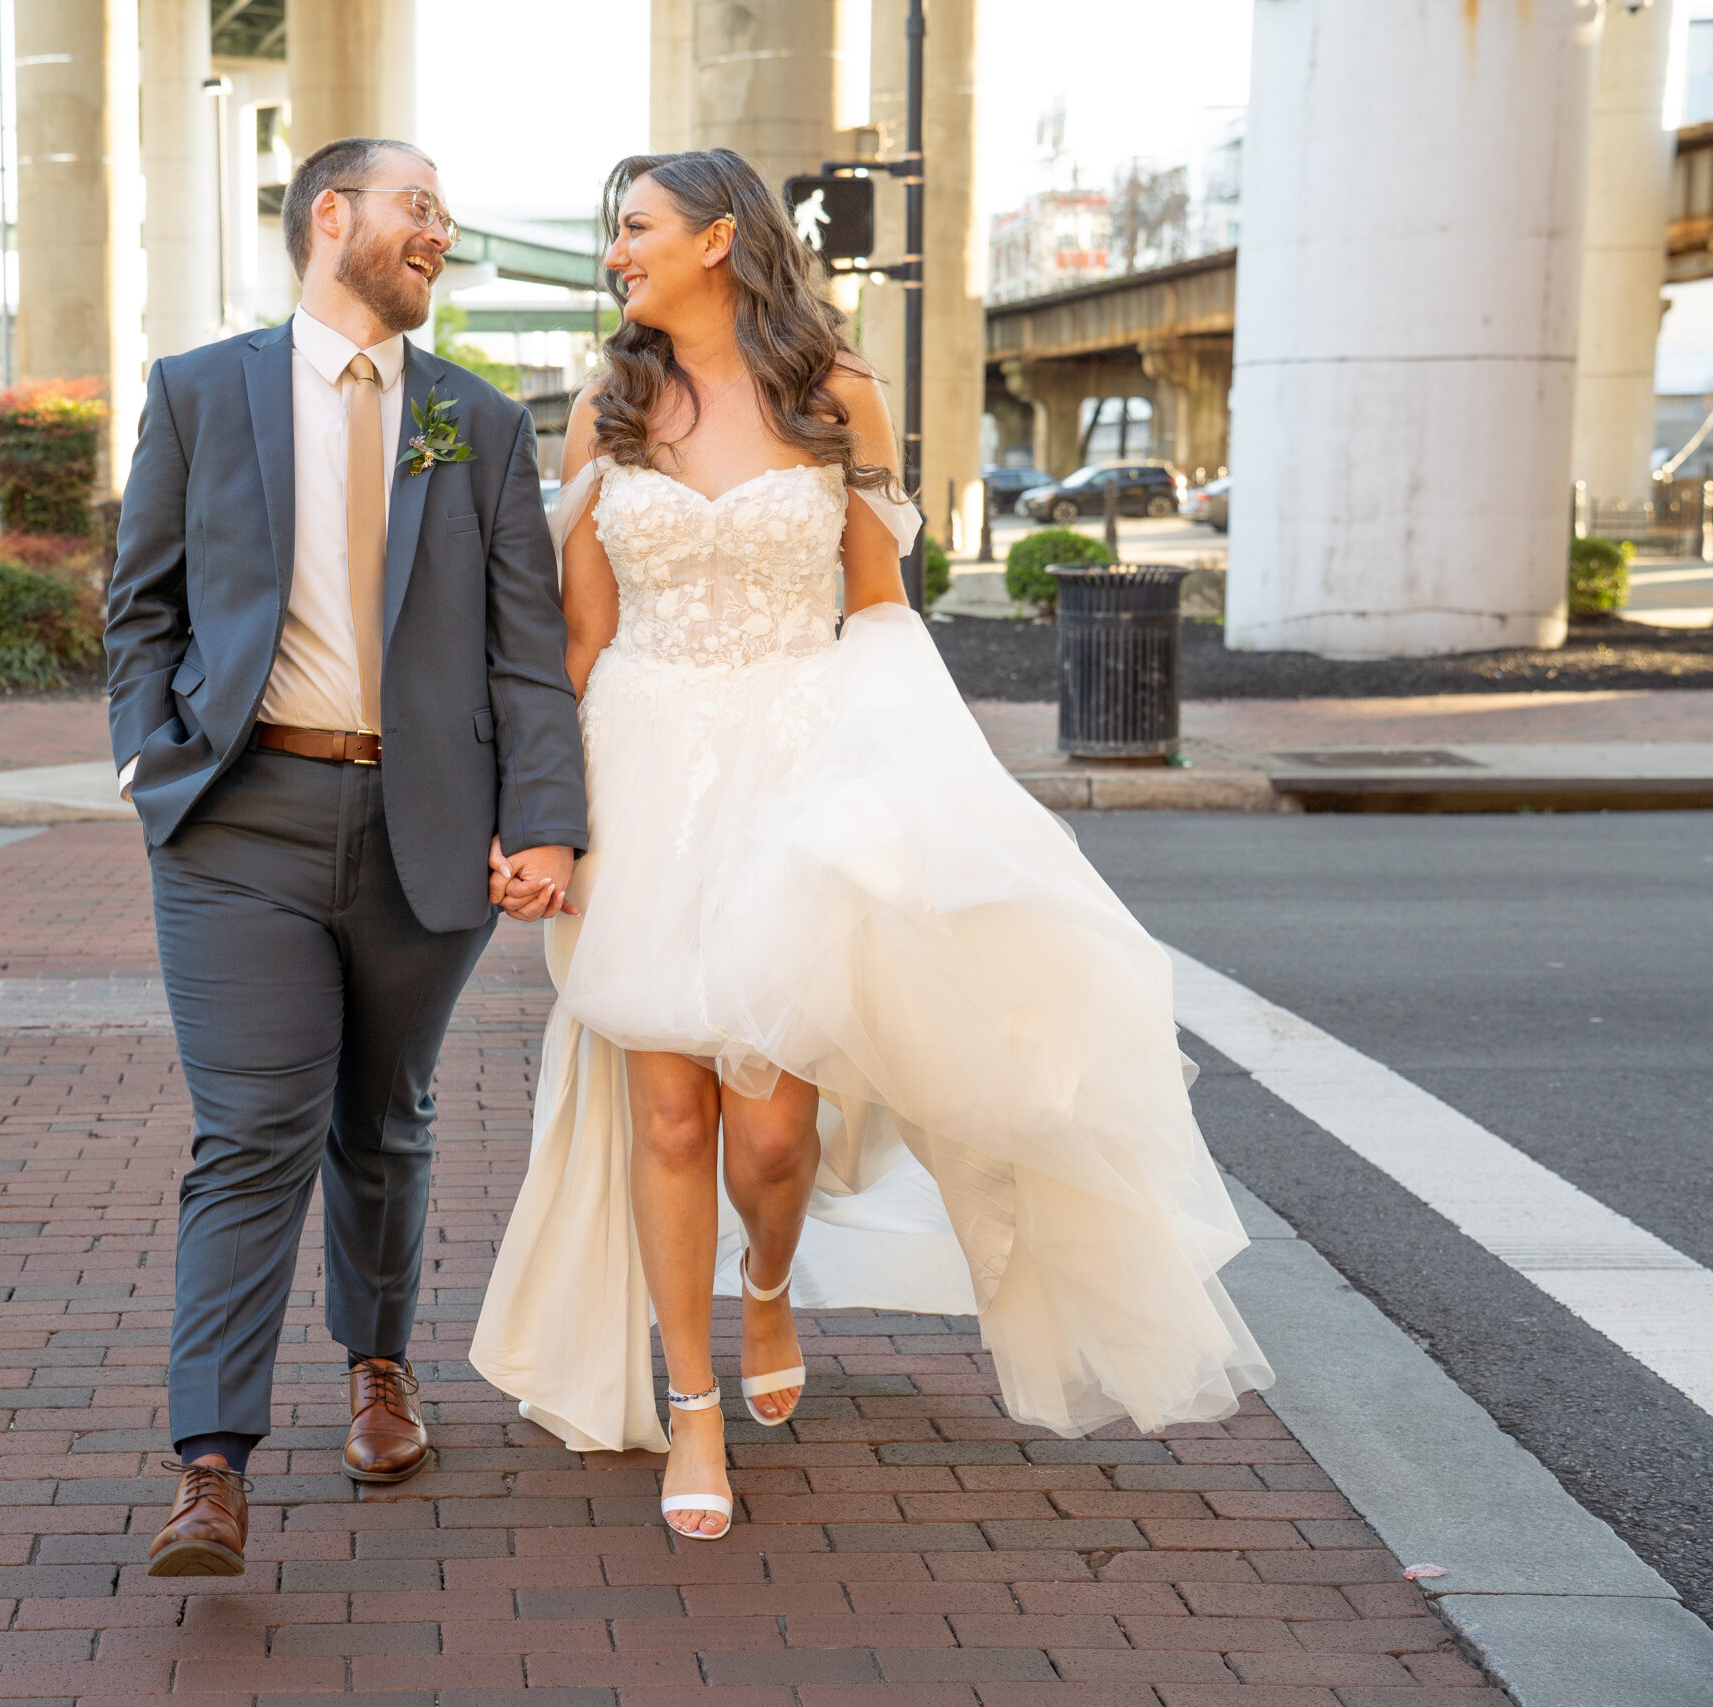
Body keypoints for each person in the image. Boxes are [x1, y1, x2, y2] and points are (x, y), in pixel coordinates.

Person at [468, 149, 1271, 1541]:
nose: (616, 253)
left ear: (721, 239)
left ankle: (768, 1279)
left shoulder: (840, 398)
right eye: (613, 232)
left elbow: (878, 613)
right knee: (671, 1108)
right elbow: (581, 636)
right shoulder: (608, 410)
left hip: (801, 764)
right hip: (643, 769)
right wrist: (537, 816)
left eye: (637, 228)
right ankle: (696, 1409)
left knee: (771, 1128)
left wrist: (921, 792)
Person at [105, 137, 587, 1576]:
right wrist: (151, 754)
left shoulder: (480, 425)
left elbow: (527, 657)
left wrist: (547, 815)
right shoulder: (200, 392)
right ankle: (210, 1464)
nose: (441, 231)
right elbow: (142, 605)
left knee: (382, 1118)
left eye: (444, 212)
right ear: (334, 218)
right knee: (251, 1131)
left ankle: (379, 1365)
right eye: (418, 207)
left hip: (423, 828)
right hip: (240, 819)